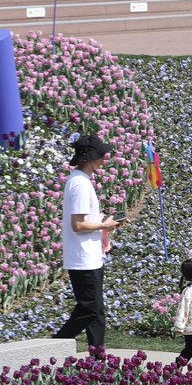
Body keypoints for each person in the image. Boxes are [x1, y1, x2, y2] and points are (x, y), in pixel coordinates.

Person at [55, 134, 119, 350]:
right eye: (101, 155)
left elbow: (84, 221)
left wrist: (104, 224)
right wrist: (104, 225)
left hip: (90, 255)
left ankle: (97, 354)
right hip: (83, 258)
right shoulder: (80, 184)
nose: (103, 159)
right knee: (89, 308)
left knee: (97, 309)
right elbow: (78, 225)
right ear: (90, 157)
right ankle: (54, 344)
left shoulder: (81, 181)